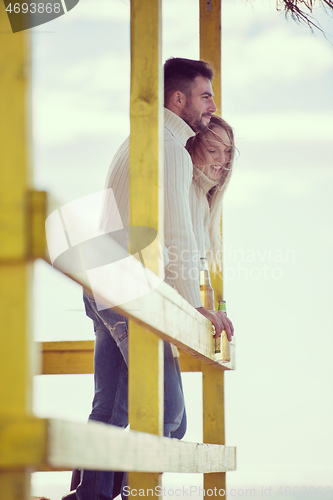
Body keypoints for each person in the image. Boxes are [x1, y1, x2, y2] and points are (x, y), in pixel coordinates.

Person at [62, 58, 234, 500]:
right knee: (166, 417)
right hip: (127, 292)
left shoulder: (143, 138)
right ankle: (91, 496)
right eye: (205, 95)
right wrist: (189, 310)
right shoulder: (167, 147)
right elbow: (175, 235)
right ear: (179, 99)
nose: (212, 105)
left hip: (104, 283)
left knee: (113, 409)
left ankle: (88, 496)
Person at [186, 114, 235, 275]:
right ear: (191, 150)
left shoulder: (202, 196)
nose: (222, 159)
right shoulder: (190, 192)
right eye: (213, 150)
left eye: (228, 151)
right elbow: (189, 266)